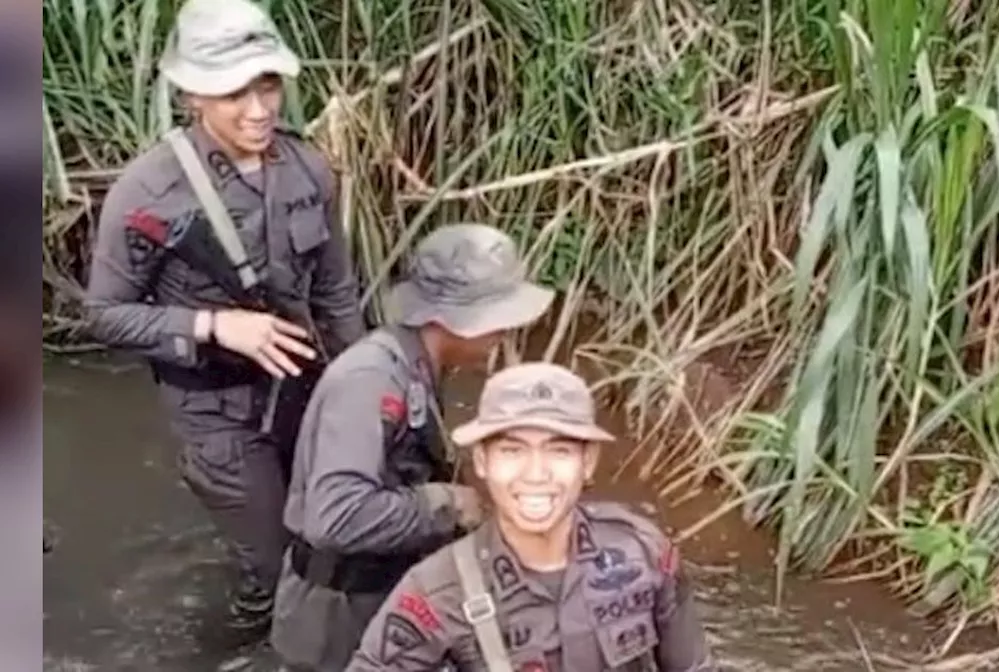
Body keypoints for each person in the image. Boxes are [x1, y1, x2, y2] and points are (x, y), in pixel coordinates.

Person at [82, 0, 364, 636]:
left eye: (269, 85)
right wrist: (210, 326)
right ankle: (241, 631)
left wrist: (365, 395)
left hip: (302, 392)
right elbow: (103, 316)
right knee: (277, 571)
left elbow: (337, 296)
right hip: (216, 415)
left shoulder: (308, 168)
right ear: (191, 93)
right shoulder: (147, 191)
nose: (260, 109)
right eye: (235, 92)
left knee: (331, 541)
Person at [271, 223, 558, 671]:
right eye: (498, 319)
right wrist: (448, 504)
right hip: (336, 618)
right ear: (447, 320)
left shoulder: (416, 367)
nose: (507, 332)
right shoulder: (371, 381)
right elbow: (335, 517)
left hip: (376, 594)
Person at [346, 363, 713, 671]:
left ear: (588, 462)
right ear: (482, 462)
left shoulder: (645, 552)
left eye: (559, 451)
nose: (536, 473)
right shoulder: (436, 591)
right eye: (512, 450)